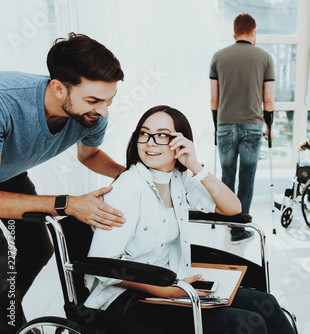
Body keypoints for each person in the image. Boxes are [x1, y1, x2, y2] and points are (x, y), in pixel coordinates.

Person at [84, 105, 295, 334]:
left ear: (180, 141)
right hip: (125, 298)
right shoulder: (128, 189)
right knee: (243, 324)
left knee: (268, 305)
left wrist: (194, 164)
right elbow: (103, 265)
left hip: (171, 280)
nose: (151, 142)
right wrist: (164, 290)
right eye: (144, 134)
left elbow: (233, 208)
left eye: (163, 135)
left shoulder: (178, 178)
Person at [0, 33, 125, 333]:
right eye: (94, 100)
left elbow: (90, 154)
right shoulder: (6, 103)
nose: (104, 111)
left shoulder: (93, 115)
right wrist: (67, 203)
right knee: (2, 265)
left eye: (109, 100)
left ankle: (7, 316)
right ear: (58, 88)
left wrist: (131, 174)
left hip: (8, 171)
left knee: (36, 248)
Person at [210, 13, 275, 244]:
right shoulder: (265, 58)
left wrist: (217, 126)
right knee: (247, 178)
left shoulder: (218, 57)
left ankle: (227, 221)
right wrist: (269, 125)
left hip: (225, 125)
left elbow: (214, 100)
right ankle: (239, 230)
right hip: (253, 126)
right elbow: (268, 100)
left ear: (234, 32)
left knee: (226, 176)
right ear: (253, 31)